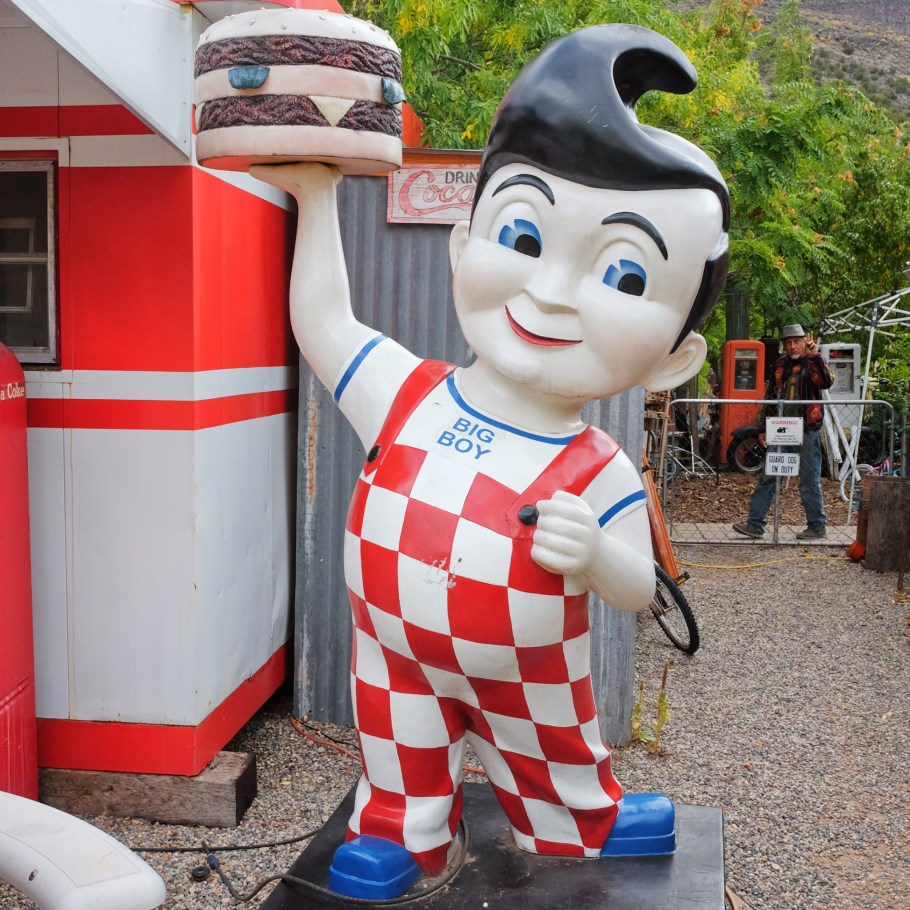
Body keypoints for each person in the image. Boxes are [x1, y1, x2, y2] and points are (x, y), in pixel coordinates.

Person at [253, 23, 729, 900]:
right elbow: (325, 325)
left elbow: (636, 588)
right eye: (521, 235)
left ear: (674, 359)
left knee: (557, 755)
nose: (548, 291)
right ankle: (405, 833)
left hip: (534, 668)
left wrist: (594, 555)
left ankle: (582, 818)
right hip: (397, 654)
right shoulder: (408, 392)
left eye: (624, 278)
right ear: (459, 244)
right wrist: (316, 200)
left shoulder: (598, 466)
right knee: (399, 760)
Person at [733, 324, 834, 540]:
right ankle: (754, 524)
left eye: (796, 341)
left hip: (808, 428)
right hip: (782, 428)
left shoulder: (814, 361)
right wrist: (763, 429)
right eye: (788, 342)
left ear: (803, 341)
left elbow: (826, 382)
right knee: (769, 475)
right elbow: (771, 396)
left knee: (809, 479)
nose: (792, 346)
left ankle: (817, 525)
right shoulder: (780, 365)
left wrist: (815, 357)